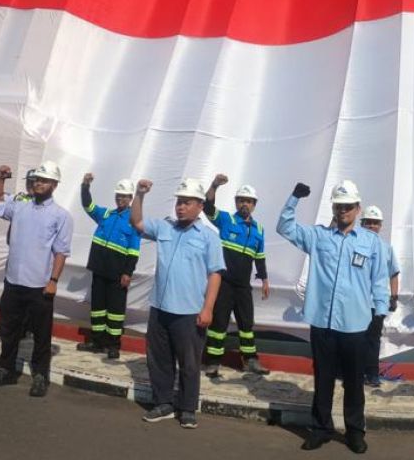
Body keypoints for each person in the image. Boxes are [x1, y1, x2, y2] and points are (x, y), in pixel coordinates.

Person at [277, 180, 388, 454]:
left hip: (355, 323)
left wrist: (380, 312)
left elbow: (380, 280)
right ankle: (321, 428)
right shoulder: (319, 237)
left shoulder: (371, 242)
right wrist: (294, 198)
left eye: (348, 206)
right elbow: (285, 227)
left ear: (358, 208)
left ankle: (354, 431)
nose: (343, 211)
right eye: (339, 206)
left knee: (353, 381)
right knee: (323, 378)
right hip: (323, 322)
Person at [133, 178, 225, 429]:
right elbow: (137, 222)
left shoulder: (209, 237)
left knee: (190, 362)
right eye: (178, 202)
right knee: (159, 359)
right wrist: (139, 195)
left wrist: (208, 308)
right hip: (160, 307)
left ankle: (187, 408)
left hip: (189, 311)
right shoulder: (165, 228)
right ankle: (163, 403)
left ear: (199, 205)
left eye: (186, 202)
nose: (180, 207)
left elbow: (215, 274)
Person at [0, 160, 74, 397]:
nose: (38, 184)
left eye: (44, 180)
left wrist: (53, 280)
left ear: (54, 185)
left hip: (40, 286)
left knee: (42, 335)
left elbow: (61, 252)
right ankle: (6, 369)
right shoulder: (19, 205)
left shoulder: (61, 216)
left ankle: (40, 375)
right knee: (8, 328)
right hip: (13, 281)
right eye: (37, 179)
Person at [202, 175, 271, 376]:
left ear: (254, 205)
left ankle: (250, 361)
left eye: (248, 201)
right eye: (241, 200)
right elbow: (207, 207)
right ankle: (212, 362)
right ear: (236, 202)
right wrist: (214, 185)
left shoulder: (259, 229)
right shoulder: (226, 220)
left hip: (243, 286)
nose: (244, 204)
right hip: (224, 283)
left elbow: (260, 256)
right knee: (218, 323)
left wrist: (265, 279)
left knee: (246, 323)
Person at [77, 173, 141, 359]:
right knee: (98, 307)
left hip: (118, 273)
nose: (121, 199)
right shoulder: (105, 214)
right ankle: (97, 341)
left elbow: (134, 250)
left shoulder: (134, 221)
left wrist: (128, 272)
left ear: (130, 199)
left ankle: (113, 345)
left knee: (115, 311)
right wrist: (85, 185)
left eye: (125, 196)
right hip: (99, 268)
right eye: (118, 195)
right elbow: (88, 206)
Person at [359, 204, 400, 387]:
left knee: (373, 339)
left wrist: (394, 296)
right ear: (362, 224)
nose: (372, 226)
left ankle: (372, 374)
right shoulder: (354, 245)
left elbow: (394, 273)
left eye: (375, 223)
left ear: (380, 225)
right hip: (357, 301)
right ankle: (355, 373)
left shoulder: (386, 248)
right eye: (368, 222)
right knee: (356, 338)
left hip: (378, 302)